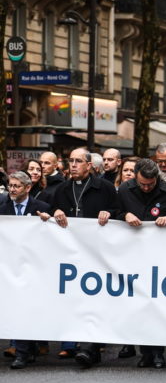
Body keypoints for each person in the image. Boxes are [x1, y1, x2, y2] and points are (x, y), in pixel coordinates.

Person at [106, 158, 166, 369]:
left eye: (150, 184)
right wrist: (125, 215)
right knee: (138, 306)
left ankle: (158, 353)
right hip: (132, 255)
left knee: (156, 305)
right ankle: (144, 352)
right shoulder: (124, 189)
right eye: (143, 184)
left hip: (159, 256)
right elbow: (113, 213)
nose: (147, 188)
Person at [49, 148, 119, 368]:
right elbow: (50, 211)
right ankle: (74, 344)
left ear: (89, 165)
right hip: (71, 255)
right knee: (74, 299)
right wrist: (55, 213)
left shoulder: (105, 188)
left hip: (97, 254)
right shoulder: (61, 189)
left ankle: (89, 348)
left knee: (94, 301)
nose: (73, 165)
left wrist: (110, 213)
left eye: (78, 161)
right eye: (71, 161)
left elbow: (118, 211)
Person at [3, 171, 52, 370]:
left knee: (28, 308)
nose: (12, 190)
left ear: (28, 188)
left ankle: (27, 349)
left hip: (34, 267)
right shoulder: (2, 207)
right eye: (10, 186)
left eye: (16, 186)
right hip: (7, 267)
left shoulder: (42, 208)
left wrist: (48, 221)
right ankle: (22, 352)